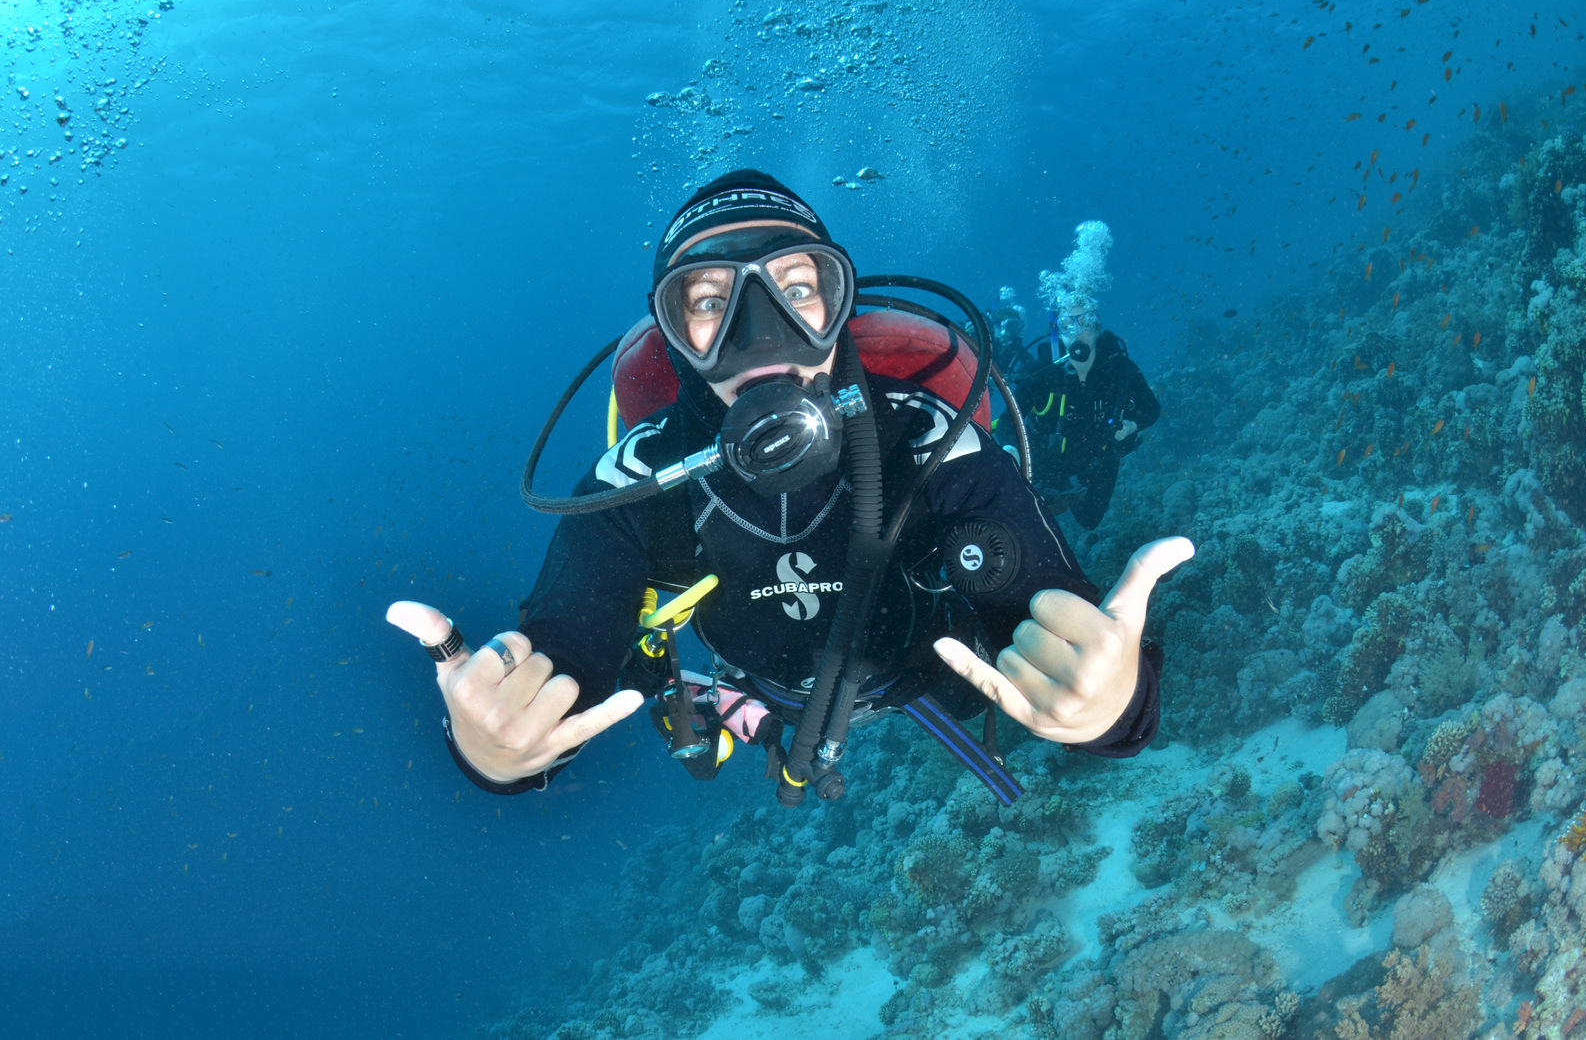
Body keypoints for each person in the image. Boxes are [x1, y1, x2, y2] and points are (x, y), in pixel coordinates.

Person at [386, 171, 1191, 807]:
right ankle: (744, 717)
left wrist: (1114, 707)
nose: (757, 330)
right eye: (708, 301)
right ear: (671, 333)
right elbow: (555, 673)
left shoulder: (930, 443)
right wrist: (495, 751)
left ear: (837, 306)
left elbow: (1064, 625)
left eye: (797, 289)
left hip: (933, 672)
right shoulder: (634, 486)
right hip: (766, 690)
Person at [1018, 221, 1161, 529]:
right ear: (1057, 332)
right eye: (1069, 324)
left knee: (1089, 522)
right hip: (1047, 461)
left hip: (1099, 458)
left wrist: (1133, 423)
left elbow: (1153, 409)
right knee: (1030, 521)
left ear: (1097, 326)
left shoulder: (1118, 366)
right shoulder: (1042, 372)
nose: (1079, 331)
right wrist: (1010, 451)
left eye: (1086, 322)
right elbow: (1007, 423)